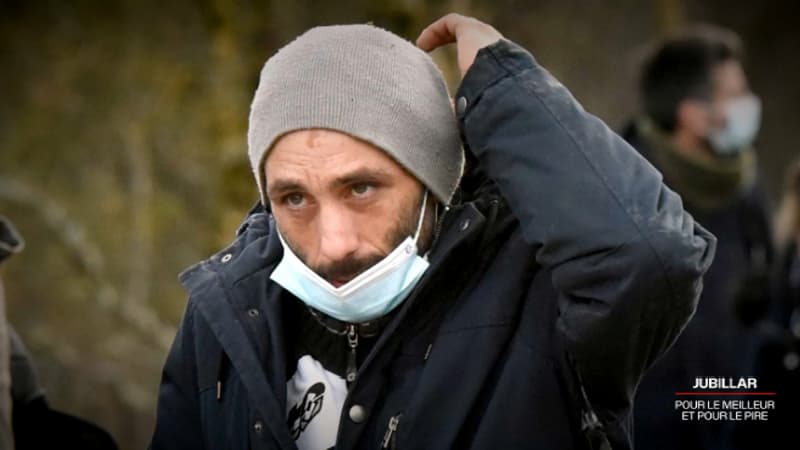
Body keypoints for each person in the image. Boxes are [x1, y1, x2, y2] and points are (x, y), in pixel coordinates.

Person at [150, 13, 715, 450]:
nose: (334, 244)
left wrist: (509, 94)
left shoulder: (540, 300)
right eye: (294, 198)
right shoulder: (228, 312)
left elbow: (649, 258)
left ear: (432, 182)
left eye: (361, 188)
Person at [621, 25, 773, 450]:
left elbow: (765, 280)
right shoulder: (625, 190)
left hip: (733, 405)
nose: (749, 103)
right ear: (693, 114)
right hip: (653, 421)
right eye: (735, 94)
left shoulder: (741, 180)